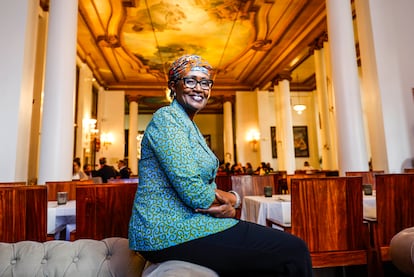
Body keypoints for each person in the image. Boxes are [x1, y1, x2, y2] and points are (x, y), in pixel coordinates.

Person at [128, 54, 312, 276]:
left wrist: (227, 206)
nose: (199, 88)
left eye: (205, 83)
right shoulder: (167, 119)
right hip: (166, 232)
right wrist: (233, 199)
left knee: (277, 252)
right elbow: (194, 193)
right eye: (190, 80)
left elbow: (204, 190)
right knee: (294, 250)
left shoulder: (188, 125)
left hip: (194, 225)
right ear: (173, 86)